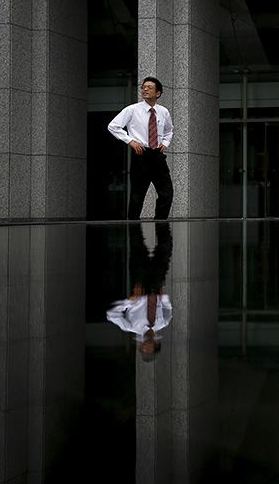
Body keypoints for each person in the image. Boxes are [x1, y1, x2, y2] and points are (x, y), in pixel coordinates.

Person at [108, 76, 174, 220]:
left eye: (149, 87)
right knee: (137, 195)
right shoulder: (132, 110)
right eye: (143, 87)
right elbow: (113, 126)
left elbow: (169, 130)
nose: (145, 89)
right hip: (141, 155)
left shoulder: (163, 112)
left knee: (167, 193)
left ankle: (160, 225)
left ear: (158, 93)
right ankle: (133, 230)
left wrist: (165, 143)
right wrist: (130, 141)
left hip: (157, 156)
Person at [107, 221, 174, 361]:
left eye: (143, 348)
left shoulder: (131, 327)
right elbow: (168, 309)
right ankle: (163, 222)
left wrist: (130, 301)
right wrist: (163, 297)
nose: (145, 346)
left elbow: (111, 315)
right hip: (156, 285)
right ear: (156, 344)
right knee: (165, 249)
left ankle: (134, 221)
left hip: (140, 286)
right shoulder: (163, 322)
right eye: (148, 349)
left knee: (137, 247)